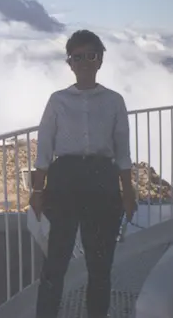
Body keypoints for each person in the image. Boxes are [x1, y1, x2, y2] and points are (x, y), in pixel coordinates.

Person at [29, 29, 137, 318]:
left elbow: (122, 151)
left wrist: (128, 191)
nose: (85, 62)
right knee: (56, 262)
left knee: (99, 264)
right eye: (78, 57)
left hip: (102, 179)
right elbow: (44, 150)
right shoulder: (57, 101)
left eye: (91, 55)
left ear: (100, 60)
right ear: (70, 63)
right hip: (64, 179)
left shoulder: (114, 101)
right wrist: (37, 192)